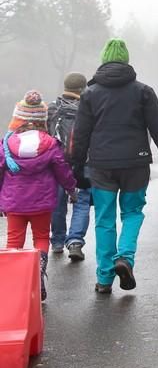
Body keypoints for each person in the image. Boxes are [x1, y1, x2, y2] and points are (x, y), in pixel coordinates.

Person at [71, 38, 158, 294]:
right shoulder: (143, 91)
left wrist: (76, 167)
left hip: (100, 165)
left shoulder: (90, 94)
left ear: (104, 60)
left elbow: (81, 134)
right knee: (132, 213)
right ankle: (125, 259)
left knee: (105, 219)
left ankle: (105, 278)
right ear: (126, 60)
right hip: (135, 164)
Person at [0, 91, 78, 301]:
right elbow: (62, 170)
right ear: (42, 120)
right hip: (42, 203)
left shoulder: (7, 145)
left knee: (14, 240)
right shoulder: (50, 144)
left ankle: (14, 284)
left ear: (19, 120)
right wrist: (72, 189)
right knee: (41, 238)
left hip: (14, 203)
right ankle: (38, 271)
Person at [48, 72, 89, 259]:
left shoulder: (53, 109)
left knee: (57, 202)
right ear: (83, 88)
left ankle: (57, 241)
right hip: (82, 162)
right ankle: (75, 241)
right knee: (81, 202)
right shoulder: (88, 108)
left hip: (55, 163)